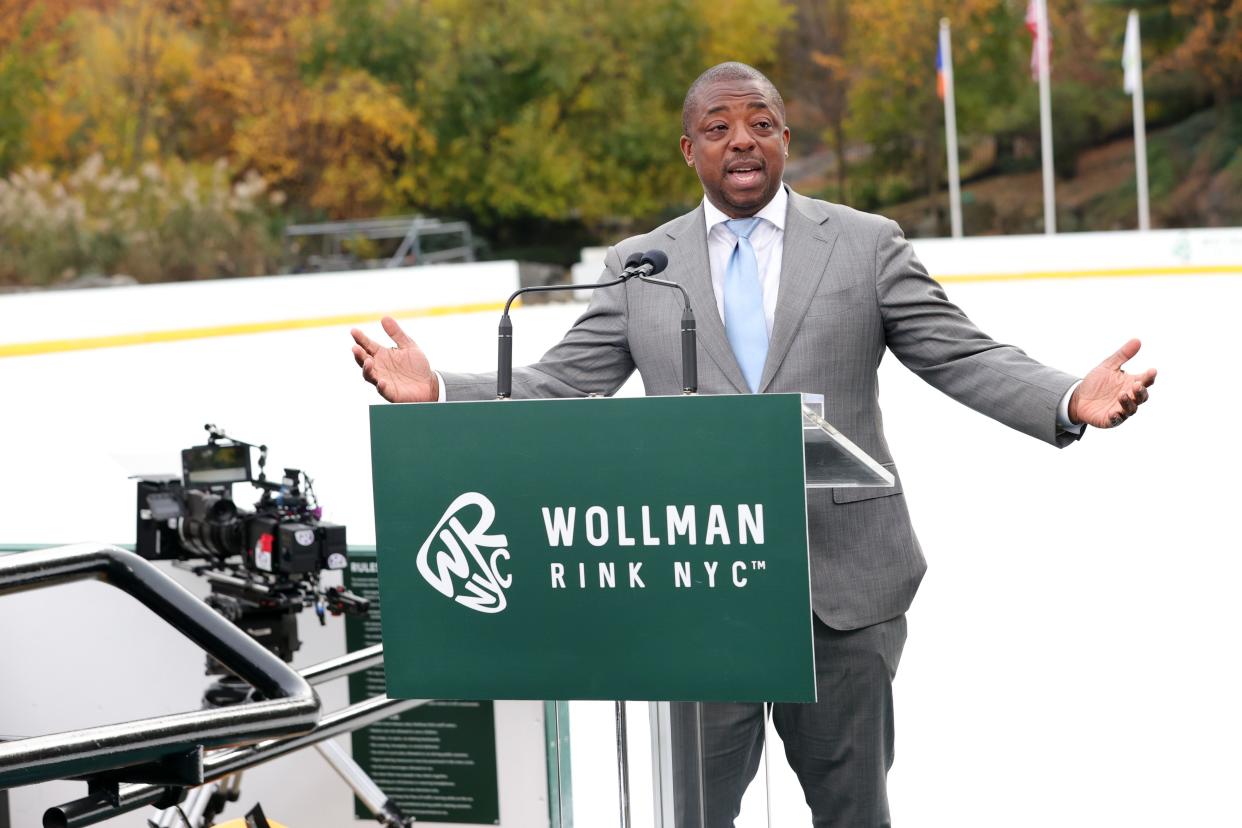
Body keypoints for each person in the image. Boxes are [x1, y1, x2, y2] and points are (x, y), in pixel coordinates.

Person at [351, 62, 1155, 827]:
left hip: (843, 592)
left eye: (761, 124)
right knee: (695, 814)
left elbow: (959, 351)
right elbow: (563, 382)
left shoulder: (865, 243)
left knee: (853, 813)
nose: (743, 139)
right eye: (720, 126)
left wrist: (1064, 396)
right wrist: (441, 389)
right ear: (689, 149)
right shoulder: (640, 266)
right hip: (697, 589)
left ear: (785, 139)